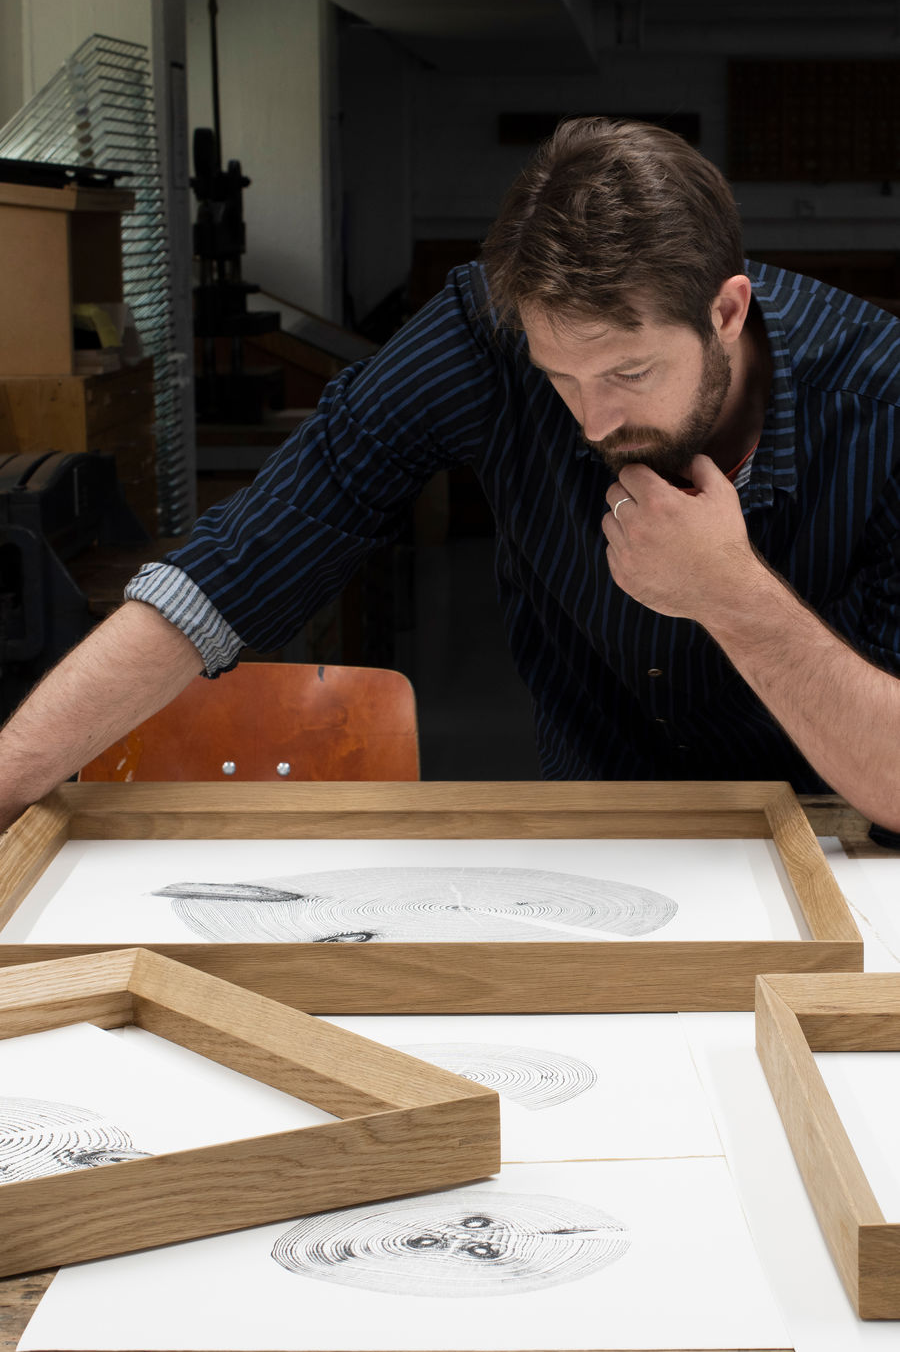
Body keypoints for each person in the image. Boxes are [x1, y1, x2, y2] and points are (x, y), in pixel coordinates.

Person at [2, 115, 900, 831]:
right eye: (560, 379)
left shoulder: (882, 398)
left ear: (727, 312)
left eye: (629, 374)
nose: (593, 423)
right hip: (599, 830)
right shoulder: (482, 334)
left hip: (829, 843)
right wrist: (9, 778)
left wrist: (733, 596)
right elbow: (241, 563)